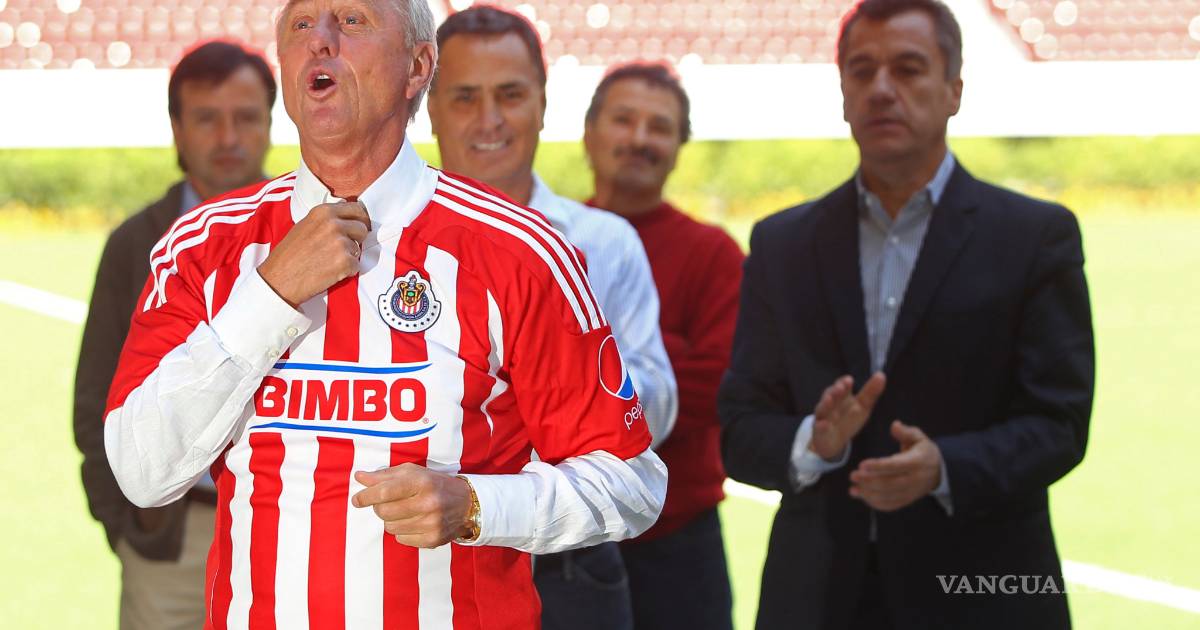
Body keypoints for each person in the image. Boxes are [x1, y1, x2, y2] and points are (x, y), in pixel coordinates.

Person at [102, 0, 667, 627]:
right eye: (301, 24)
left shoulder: (520, 252)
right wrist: (270, 295)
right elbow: (141, 471)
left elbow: (633, 482)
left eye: (351, 21)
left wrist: (477, 505)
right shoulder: (203, 245)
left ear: (418, 66)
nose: (320, 40)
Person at [718, 1, 1095, 628]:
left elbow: (1060, 423)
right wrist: (813, 442)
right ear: (843, 93)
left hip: (983, 590)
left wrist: (945, 466)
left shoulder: (1034, 237)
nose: (881, 89)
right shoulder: (782, 245)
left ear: (954, 91)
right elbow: (739, 430)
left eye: (908, 68)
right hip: (817, 595)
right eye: (862, 71)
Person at [425, 8, 678, 630]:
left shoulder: (605, 241)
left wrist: (567, 386)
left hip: (570, 561)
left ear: (543, 103)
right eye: (465, 97)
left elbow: (661, 407)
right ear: (429, 108)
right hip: (427, 560)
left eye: (510, 94)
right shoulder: (383, 247)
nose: (489, 118)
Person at [73, 39, 275, 630]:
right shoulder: (135, 244)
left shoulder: (311, 229)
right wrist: (128, 523)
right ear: (177, 130)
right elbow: (94, 400)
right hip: (172, 538)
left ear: (271, 122)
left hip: (281, 526)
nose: (228, 137)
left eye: (245, 117)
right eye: (207, 119)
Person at [582, 62, 741, 630]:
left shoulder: (714, 254)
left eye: (660, 126)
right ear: (589, 133)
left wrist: (580, 379)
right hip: (565, 537)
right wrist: (659, 355)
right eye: (624, 120)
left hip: (678, 545)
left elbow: (716, 385)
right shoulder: (549, 236)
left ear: (678, 147)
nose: (640, 138)